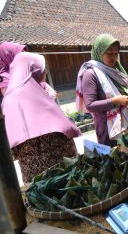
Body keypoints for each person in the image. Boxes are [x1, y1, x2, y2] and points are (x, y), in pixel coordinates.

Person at [1, 52, 81, 183]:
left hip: (34, 176)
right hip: (64, 169)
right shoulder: (39, 95)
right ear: (34, 71)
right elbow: (67, 129)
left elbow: (11, 149)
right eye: (42, 70)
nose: (44, 73)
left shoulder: (7, 101)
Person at [76, 34, 128, 147]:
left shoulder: (116, 68)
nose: (113, 57)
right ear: (99, 52)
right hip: (108, 128)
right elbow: (90, 105)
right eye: (109, 53)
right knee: (114, 158)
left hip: (127, 121)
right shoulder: (90, 74)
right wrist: (116, 101)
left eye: (116, 53)